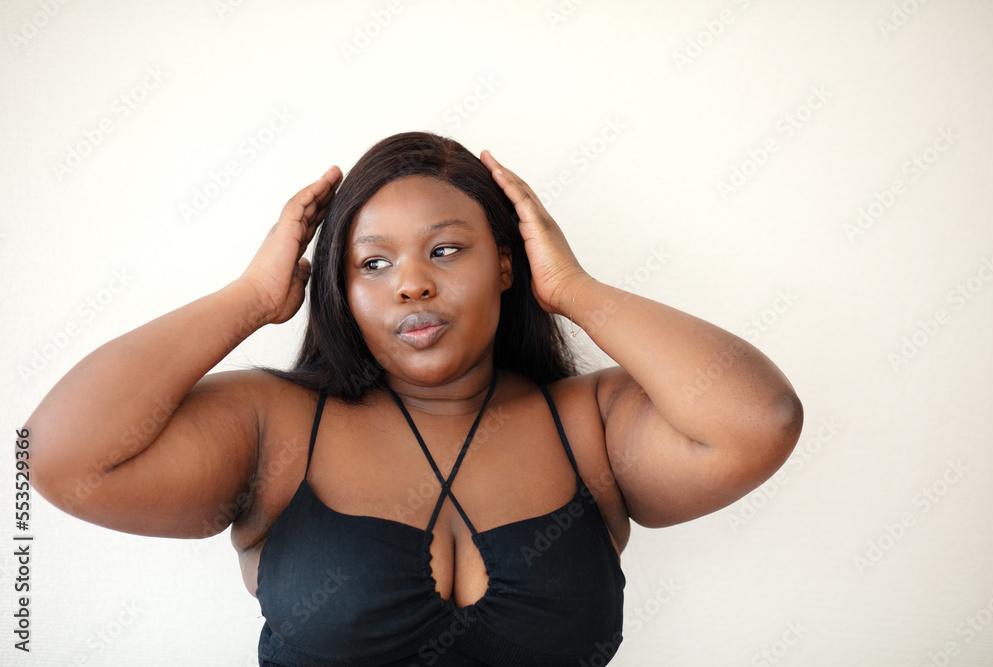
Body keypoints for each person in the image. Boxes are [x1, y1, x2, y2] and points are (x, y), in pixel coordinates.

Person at [26, 131, 803, 666]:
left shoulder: (589, 426)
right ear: (341, 288)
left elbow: (759, 420)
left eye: (446, 249)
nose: (412, 283)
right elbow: (60, 457)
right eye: (373, 263)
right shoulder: (278, 426)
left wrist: (574, 288)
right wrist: (251, 298)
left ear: (507, 265)